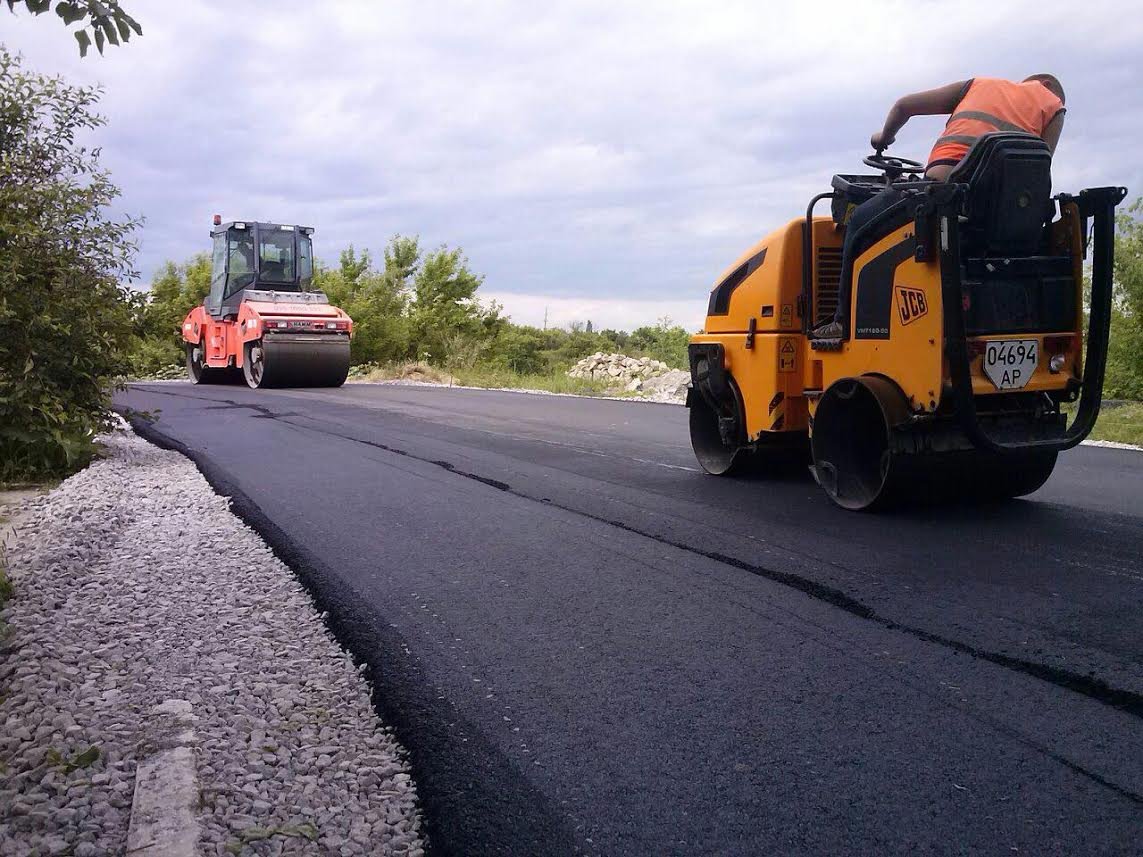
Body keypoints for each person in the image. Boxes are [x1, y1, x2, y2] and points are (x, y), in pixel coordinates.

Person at [813, 74, 1066, 340]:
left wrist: (883, 138)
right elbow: (1038, 171)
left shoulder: (977, 85)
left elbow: (904, 107)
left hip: (939, 195)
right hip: (996, 219)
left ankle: (842, 322)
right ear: (1049, 87)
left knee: (858, 222)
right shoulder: (1053, 107)